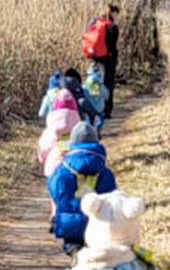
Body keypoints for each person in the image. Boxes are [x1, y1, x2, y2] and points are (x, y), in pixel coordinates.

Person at [48, 123, 116, 253]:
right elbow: (112, 195)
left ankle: (75, 263)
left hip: (70, 226)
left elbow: (53, 187)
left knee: (74, 252)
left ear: (72, 142)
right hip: (98, 224)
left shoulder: (63, 170)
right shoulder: (105, 172)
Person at [82, 4, 121, 114]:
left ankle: (94, 105)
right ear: (113, 14)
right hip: (107, 59)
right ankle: (106, 110)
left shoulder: (95, 22)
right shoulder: (111, 27)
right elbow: (112, 46)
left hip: (94, 57)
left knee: (94, 81)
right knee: (107, 84)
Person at [37, 93, 81, 177]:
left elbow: (43, 148)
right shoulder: (79, 131)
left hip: (53, 169)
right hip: (75, 169)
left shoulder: (49, 131)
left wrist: (43, 160)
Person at [81, 63, 110, 134]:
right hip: (99, 106)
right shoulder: (99, 82)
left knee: (90, 119)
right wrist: (107, 97)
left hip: (90, 105)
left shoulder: (87, 82)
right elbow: (104, 92)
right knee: (100, 119)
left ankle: (89, 133)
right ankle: (97, 131)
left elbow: (84, 91)